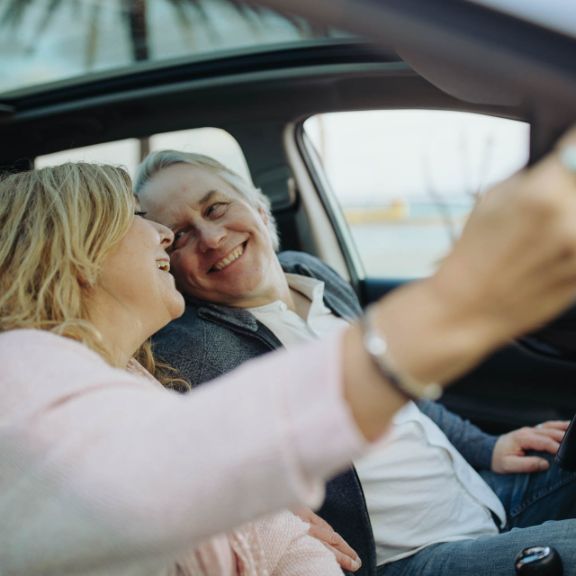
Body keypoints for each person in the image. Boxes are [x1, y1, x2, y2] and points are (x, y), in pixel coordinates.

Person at [2, 137, 576, 576]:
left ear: (257, 202)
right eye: (157, 228)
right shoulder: (159, 353)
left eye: (217, 207)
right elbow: (180, 465)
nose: (170, 238)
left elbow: (407, 411)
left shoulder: (310, 279)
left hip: (476, 493)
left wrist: (486, 446)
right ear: (79, 251)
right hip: (415, 552)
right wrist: (458, 301)